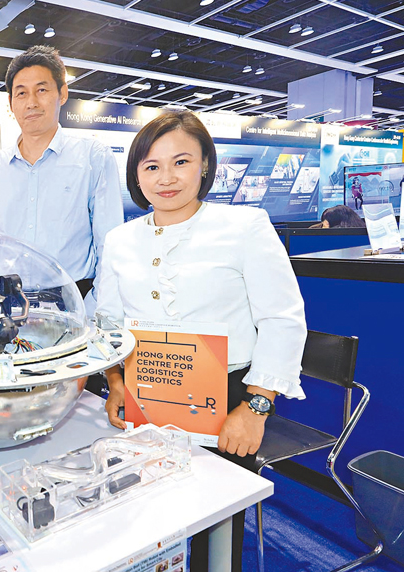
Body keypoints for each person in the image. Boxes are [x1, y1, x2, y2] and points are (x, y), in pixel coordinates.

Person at [96, 111, 306, 571]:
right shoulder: (120, 239)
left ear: (205, 165)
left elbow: (282, 319)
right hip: (146, 390)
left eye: (181, 162)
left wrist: (256, 407)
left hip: (228, 399)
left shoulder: (245, 225)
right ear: (136, 175)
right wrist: (115, 383)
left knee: (216, 529)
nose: (166, 178)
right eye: (152, 166)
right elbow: (108, 322)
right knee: (147, 515)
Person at [0, 45, 123, 309]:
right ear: (11, 103)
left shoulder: (93, 157)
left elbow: (110, 244)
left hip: (72, 302)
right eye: (21, 93)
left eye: (42, 90)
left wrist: (94, 307)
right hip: (10, 304)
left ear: (62, 94)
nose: (31, 102)